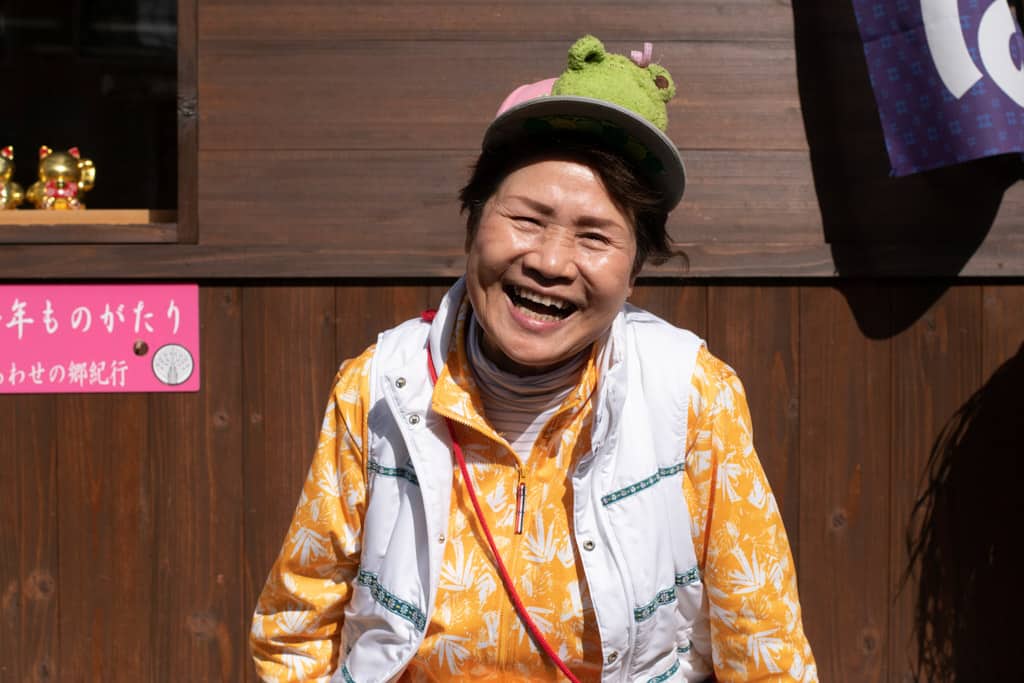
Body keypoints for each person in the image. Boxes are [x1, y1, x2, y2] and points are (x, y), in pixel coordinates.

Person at [251, 35, 817, 682]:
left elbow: (764, 639)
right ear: (473, 223)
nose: (550, 262)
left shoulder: (692, 394)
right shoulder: (377, 386)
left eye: (595, 236)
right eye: (526, 219)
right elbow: (294, 629)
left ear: (635, 271)